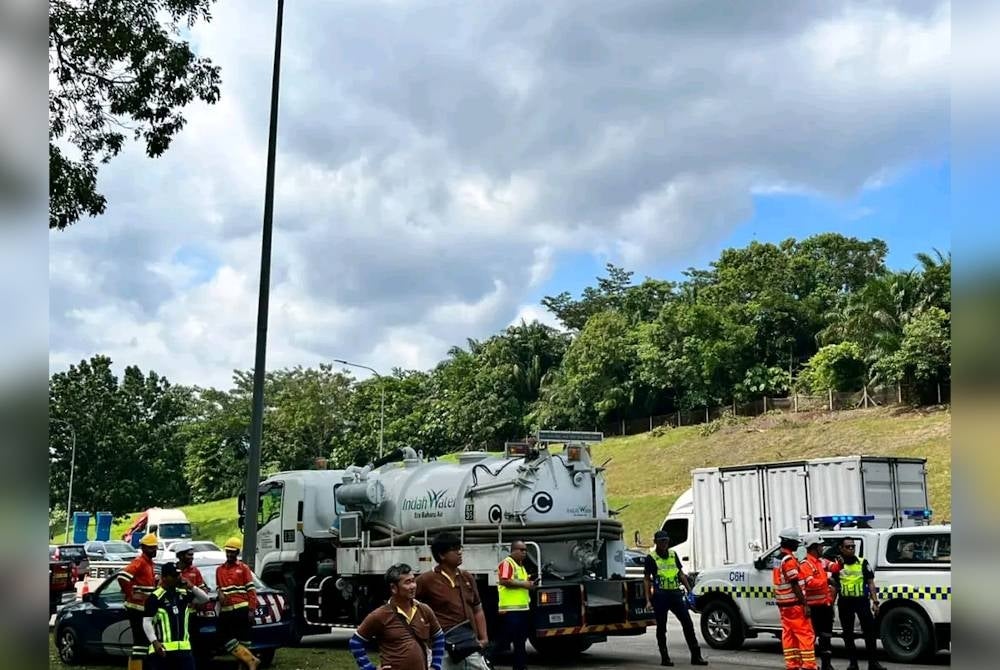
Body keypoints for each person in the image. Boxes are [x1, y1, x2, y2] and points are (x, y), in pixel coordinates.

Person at [350, 563, 446, 670]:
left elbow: (439, 637)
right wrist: (369, 668)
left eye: (413, 581)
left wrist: (436, 666)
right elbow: (355, 642)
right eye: (407, 582)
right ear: (393, 588)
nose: (413, 586)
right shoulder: (380, 615)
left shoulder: (424, 610)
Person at [415, 533, 490, 670]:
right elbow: (408, 608)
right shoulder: (426, 580)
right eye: (454, 549)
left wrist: (483, 639)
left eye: (459, 547)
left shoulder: (467, 577)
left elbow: (477, 609)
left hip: (469, 644)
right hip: (442, 647)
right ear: (442, 555)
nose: (459, 552)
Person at [643, 530, 707, 666]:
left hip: (676, 595)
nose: (664, 543)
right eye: (661, 541)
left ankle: (696, 656)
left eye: (666, 541)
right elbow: (647, 580)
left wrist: (690, 591)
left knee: (688, 624)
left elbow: (680, 574)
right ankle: (665, 657)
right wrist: (648, 600)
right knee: (662, 628)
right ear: (656, 542)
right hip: (660, 596)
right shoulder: (651, 558)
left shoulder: (673, 554)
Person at [142, 562, 210, 670]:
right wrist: (154, 642)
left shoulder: (183, 593)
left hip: (184, 650)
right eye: (174, 576)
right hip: (163, 650)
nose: (177, 578)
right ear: (164, 578)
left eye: (178, 575)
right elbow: (147, 622)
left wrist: (191, 586)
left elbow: (204, 599)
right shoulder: (155, 597)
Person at [834, 538, 885, 670]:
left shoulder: (862, 562)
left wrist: (875, 602)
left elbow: (870, 582)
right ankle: (853, 664)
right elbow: (833, 585)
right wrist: (830, 604)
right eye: (848, 547)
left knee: (870, 633)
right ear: (841, 548)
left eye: (853, 546)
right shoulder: (836, 565)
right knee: (848, 634)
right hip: (845, 602)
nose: (851, 549)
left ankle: (873, 663)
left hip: (861, 601)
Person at [773, 528, 816, 670]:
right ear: (788, 541)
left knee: (789, 635)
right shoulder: (789, 560)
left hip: (784, 605)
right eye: (795, 542)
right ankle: (809, 665)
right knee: (805, 635)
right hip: (795, 604)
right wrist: (805, 604)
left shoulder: (777, 559)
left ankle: (793, 664)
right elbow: (795, 583)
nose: (798, 545)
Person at [216, 537, 260, 669]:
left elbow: (251, 590)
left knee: (244, 640)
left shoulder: (244, 568)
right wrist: (219, 592)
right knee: (224, 637)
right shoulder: (219, 569)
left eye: (232, 552)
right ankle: (252, 660)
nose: (229, 554)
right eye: (227, 551)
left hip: (242, 608)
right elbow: (219, 587)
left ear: (237, 552)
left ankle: (244, 666)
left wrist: (251, 610)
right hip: (226, 610)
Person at [119, 533, 159, 670]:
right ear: (143, 548)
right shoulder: (140, 562)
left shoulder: (149, 563)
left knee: (144, 641)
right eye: (151, 548)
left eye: (155, 547)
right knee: (140, 641)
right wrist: (130, 593)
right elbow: (123, 577)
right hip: (136, 607)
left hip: (144, 607)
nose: (154, 550)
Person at [801, 534, 840, 670]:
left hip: (825, 606)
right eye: (820, 546)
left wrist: (840, 563)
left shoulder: (821, 562)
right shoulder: (806, 565)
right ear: (813, 547)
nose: (823, 548)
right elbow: (810, 582)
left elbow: (834, 567)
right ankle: (808, 665)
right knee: (811, 638)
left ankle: (826, 665)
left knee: (826, 637)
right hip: (813, 608)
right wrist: (827, 581)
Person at [494, 540, 534, 670]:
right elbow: (504, 580)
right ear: (513, 550)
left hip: (521, 609)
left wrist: (529, 584)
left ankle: (520, 667)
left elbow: (521, 584)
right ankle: (487, 660)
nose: (524, 553)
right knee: (504, 640)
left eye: (525, 550)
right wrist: (524, 584)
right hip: (510, 610)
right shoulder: (507, 563)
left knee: (520, 641)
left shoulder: (521, 566)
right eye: (521, 550)